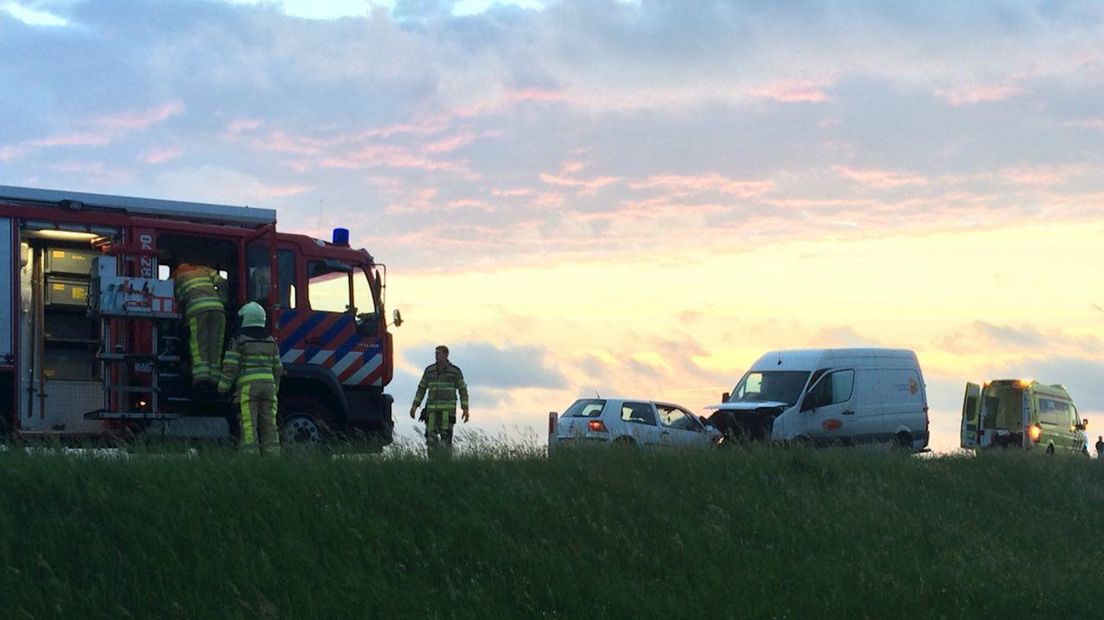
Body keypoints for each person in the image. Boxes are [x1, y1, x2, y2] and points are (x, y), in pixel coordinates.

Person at [218, 302, 283, 454]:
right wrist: (275, 388)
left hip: (248, 388)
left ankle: (250, 455)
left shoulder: (239, 339)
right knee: (269, 423)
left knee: (248, 423)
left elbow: (231, 366)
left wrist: (223, 387)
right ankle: (273, 456)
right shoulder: (271, 340)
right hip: (269, 387)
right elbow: (278, 368)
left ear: (245, 318)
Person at [174, 262, 229, 387]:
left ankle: (201, 376)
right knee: (216, 343)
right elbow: (222, 282)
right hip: (218, 310)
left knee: (199, 344)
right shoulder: (205, 270)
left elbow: (179, 300)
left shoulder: (179, 278)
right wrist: (223, 300)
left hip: (196, 311)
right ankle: (215, 377)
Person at [410, 345, 469, 454]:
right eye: (435, 353)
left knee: (445, 441)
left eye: (439, 353)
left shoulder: (455, 371)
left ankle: (445, 464)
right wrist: (415, 406)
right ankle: (432, 463)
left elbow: (463, 390)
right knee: (430, 440)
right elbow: (421, 389)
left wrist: (465, 409)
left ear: (446, 355)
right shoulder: (429, 370)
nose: (436, 356)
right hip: (431, 412)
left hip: (448, 412)